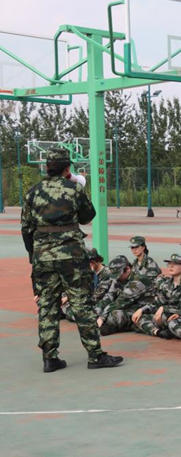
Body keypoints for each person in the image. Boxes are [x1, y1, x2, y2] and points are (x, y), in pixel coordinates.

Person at [21, 147, 123, 372]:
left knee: (47, 305)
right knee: (81, 304)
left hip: (43, 257)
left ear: (47, 167)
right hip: (71, 256)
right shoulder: (74, 188)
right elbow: (88, 216)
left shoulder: (32, 192)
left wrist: (34, 255)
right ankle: (95, 355)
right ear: (67, 169)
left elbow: (26, 228)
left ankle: (50, 358)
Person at [132, 254, 181, 339]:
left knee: (173, 324)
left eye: (175, 264)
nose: (171, 266)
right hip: (165, 316)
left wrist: (164, 308)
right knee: (139, 318)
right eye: (169, 264)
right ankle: (158, 332)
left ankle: (176, 332)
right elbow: (158, 302)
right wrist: (141, 310)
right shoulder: (167, 284)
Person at [96, 255, 156, 335]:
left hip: (140, 310)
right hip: (126, 307)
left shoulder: (138, 280)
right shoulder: (119, 278)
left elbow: (120, 302)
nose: (116, 278)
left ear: (127, 269)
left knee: (115, 315)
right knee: (95, 312)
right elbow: (109, 296)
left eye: (118, 275)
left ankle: (118, 326)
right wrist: (96, 312)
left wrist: (101, 317)